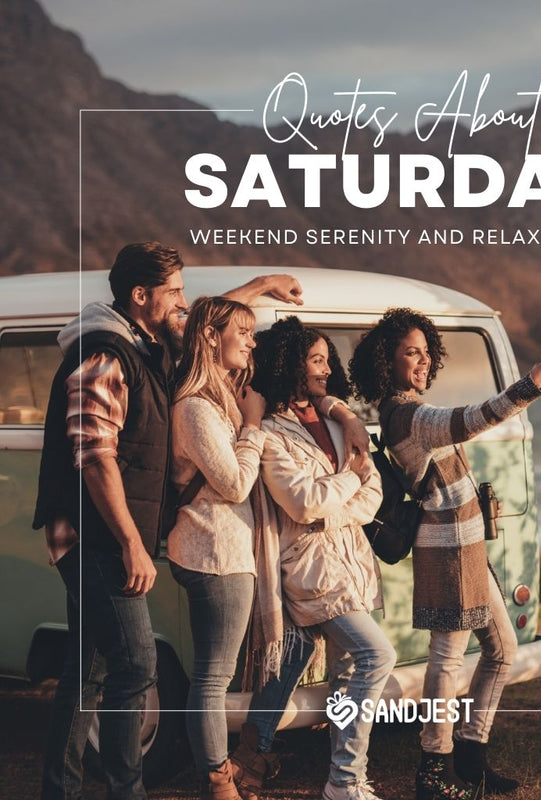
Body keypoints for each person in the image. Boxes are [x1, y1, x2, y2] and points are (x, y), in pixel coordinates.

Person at [31, 241, 311, 800]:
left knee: (86, 676)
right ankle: (124, 790)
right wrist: (134, 544)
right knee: (135, 664)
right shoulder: (103, 356)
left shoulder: (149, 343)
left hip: (109, 532)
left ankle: (58, 790)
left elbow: (210, 326)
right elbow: (95, 458)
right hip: (95, 535)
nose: (183, 303)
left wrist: (259, 287)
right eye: (174, 292)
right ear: (141, 297)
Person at [349, 308, 541, 800]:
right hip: (446, 550)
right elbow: (472, 420)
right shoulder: (404, 416)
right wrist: (529, 385)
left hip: (466, 548)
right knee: (446, 661)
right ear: (389, 360)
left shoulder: (409, 409)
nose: (422, 361)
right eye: (411, 353)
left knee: (503, 650)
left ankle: (470, 754)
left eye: (427, 352)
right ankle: (434, 769)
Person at [248, 316, 395, 800]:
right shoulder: (269, 432)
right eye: (316, 360)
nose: (326, 369)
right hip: (313, 569)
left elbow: (373, 491)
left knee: (350, 671)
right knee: (378, 654)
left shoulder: (337, 419)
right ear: (290, 364)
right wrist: (345, 488)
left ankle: (341, 780)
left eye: (328, 360)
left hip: (353, 559)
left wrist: (333, 507)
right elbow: (301, 502)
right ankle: (346, 779)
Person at [165, 296, 267, 799]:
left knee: (214, 675)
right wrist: (253, 427)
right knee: (212, 678)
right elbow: (233, 485)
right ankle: (218, 781)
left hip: (219, 550)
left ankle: (220, 768)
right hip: (213, 552)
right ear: (210, 337)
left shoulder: (217, 398)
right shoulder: (195, 406)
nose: (251, 341)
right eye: (242, 332)